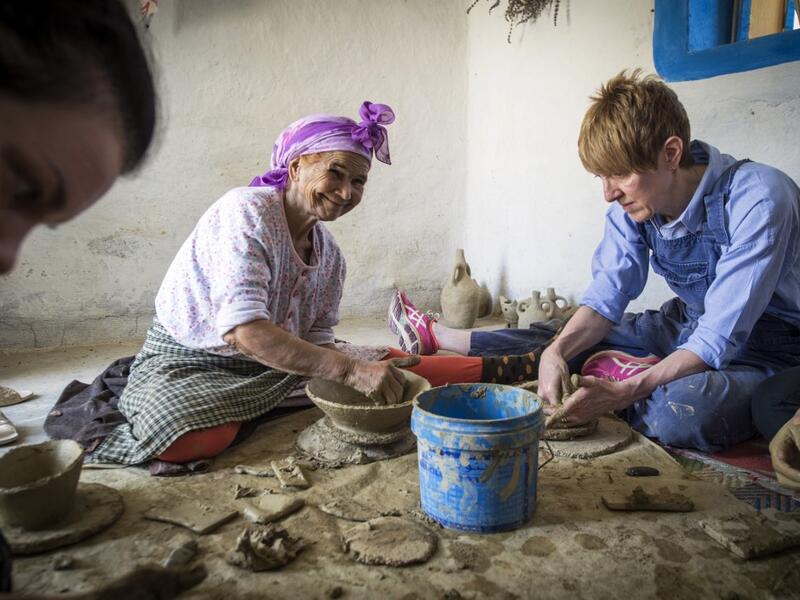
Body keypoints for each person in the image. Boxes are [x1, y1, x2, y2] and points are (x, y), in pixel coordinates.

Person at [391, 70, 800, 461]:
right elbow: (605, 301)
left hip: (772, 349)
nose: (608, 194)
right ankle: (618, 368)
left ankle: (633, 378)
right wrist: (557, 352)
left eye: (619, 175)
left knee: (685, 410)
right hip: (689, 323)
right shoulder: (634, 203)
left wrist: (626, 393)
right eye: (600, 177)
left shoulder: (759, 199)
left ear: (671, 153)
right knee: (562, 334)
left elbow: (718, 338)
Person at [0, 1, 203, 597]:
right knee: (183, 429)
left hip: (250, 359)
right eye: (16, 186)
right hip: (196, 351)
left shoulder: (327, 249)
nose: (8, 261)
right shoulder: (245, 215)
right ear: (294, 167)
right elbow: (244, 331)